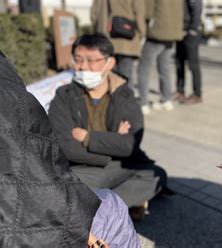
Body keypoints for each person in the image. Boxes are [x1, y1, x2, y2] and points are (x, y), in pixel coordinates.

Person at [0, 0, 101, 246]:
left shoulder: (121, 94)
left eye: (92, 61)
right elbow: (27, 154)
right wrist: (78, 227)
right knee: (111, 212)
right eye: (80, 60)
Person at [48, 34, 172, 221]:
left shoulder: (125, 96)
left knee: (156, 174)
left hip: (122, 165)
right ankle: (119, 205)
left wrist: (87, 137)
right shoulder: (64, 95)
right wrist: (111, 149)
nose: (83, 67)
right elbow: (63, 144)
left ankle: (96, 207)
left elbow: (129, 145)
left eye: (91, 60)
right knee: (72, 182)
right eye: (78, 60)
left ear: (110, 62)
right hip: (83, 167)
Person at [137, 0, 184, 115]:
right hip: (172, 33)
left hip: (157, 32)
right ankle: (166, 100)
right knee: (165, 68)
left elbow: (146, 11)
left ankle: (143, 103)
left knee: (143, 68)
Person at [91, 0, 146, 96]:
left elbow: (93, 14)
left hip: (105, 36)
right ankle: (125, 103)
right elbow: (139, 13)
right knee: (126, 74)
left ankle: (109, 103)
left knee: (107, 75)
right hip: (127, 37)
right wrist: (142, 32)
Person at [174, 0, 203, 104]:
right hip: (180, 31)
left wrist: (193, 29)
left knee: (193, 64)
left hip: (190, 32)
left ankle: (197, 94)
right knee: (179, 63)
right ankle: (180, 91)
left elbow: (197, 8)